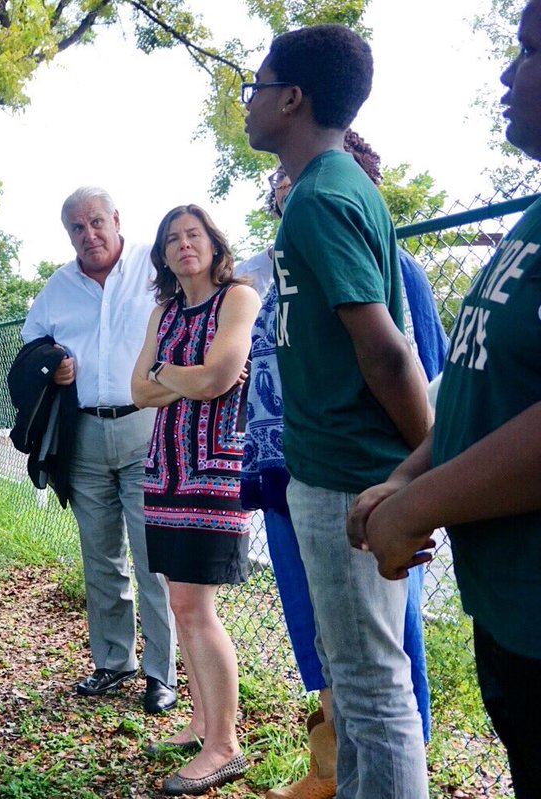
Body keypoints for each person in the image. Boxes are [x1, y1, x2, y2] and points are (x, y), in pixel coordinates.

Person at [350, 3, 541, 793]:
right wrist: (406, 477)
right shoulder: (532, 221)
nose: (505, 71)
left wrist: (416, 504)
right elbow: (477, 391)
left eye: (527, 50)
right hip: (512, 614)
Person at [244, 24, 432, 799]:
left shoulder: (322, 197)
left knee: (373, 687)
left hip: (350, 478)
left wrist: (426, 465)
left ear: (292, 98)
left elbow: (386, 349)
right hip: (329, 473)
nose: (247, 102)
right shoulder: (327, 193)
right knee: (355, 684)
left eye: (256, 85)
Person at [21, 186, 178, 713]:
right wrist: (54, 361)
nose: (88, 236)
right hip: (84, 433)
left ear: (116, 218)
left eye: (95, 223)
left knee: (155, 556)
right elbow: (30, 347)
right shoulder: (57, 288)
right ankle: (113, 661)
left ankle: (162, 672)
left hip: (147, 426)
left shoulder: (155, 267)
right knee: (101, 555)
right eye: (76, 228)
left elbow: (207, 301)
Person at [130, 205, 260, 795]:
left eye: (195, 235)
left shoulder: (238, 297)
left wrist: (170, 375)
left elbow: (220, 376)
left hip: (214, 471)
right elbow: (138, 390)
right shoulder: (164, 310)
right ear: (162, 254)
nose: (185, 245)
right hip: (166, 470)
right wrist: (183, 373)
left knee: (196, 609)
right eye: (173, 239)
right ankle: (203, 723)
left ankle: (224, 746)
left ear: (213, 243)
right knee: (181, 603)